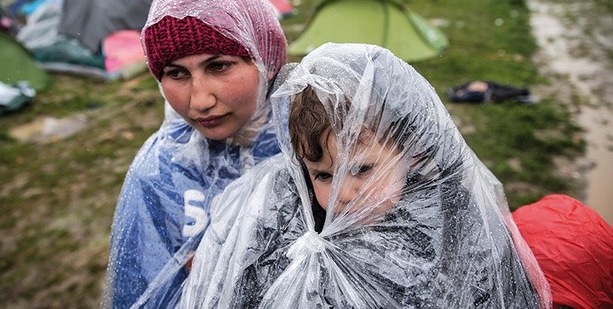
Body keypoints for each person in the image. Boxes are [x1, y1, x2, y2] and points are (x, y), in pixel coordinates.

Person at [178, 43, 551, 308]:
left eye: (361, 170)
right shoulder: (285, 223)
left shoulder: (456, 223)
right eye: (324, 176)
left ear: (411, 150)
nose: (346, 192)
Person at [101, 0, 287, 308]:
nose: (200, 100)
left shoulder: (317, 148)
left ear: (267, 60)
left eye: (219, 66)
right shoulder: (158, 174)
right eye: (176, 73)